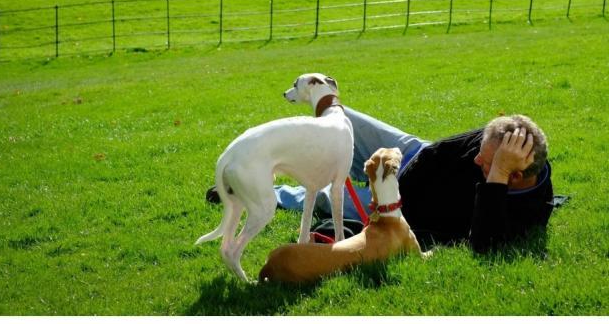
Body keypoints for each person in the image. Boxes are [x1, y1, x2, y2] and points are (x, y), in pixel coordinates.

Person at [207, 108, 554, 252]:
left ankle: (274, 190)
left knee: (331, 199)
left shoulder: (531, 210)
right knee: (339, 116)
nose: (476, 158)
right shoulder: (499, 142)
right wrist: (393, 176)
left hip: (401, 212)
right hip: (413, 158)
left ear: (516, 175)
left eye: (488, 163)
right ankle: (260, 157)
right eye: (481, 150)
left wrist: (494, 177)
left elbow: (485, 245)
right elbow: (436, 154)